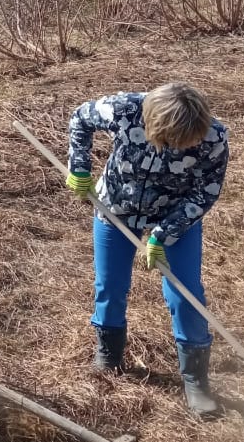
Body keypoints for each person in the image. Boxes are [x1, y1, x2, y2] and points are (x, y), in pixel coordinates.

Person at [65, 82, 229, 417]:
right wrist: (79, 167)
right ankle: (108, 357)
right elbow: (80, 118)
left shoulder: (213, 137)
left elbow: (205, 194)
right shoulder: (124, 110)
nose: (177, 149)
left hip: (175, 215)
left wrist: (164, 234)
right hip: (116, 208)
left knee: (186, 293)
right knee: (110, 285)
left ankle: (195, 380)